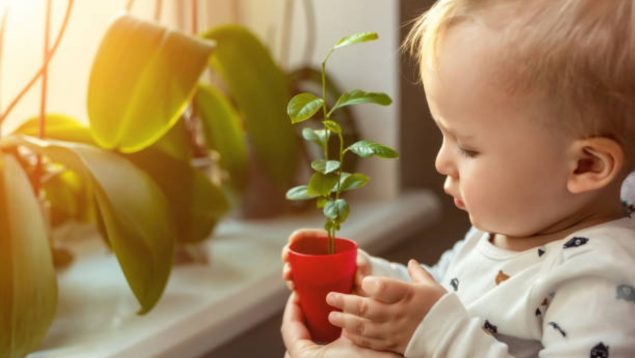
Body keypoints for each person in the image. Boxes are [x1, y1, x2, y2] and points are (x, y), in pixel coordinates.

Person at [282, 0, 635, 356]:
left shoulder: (601, 281)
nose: (441, 161)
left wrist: (438, 335)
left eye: (467, 148)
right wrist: (369, 279)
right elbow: (442, 293)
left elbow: (439, 321)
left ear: (585, 166)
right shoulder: (503, 228)